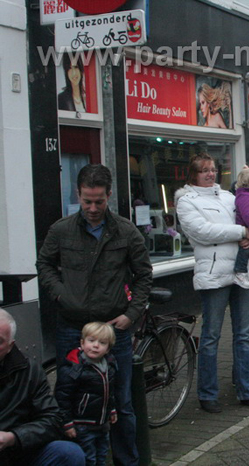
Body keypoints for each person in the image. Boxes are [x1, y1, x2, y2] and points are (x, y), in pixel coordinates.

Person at [37, 164, 152, 466]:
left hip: (114, 329)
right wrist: (62, 294)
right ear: (78, 194)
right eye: (87, 201)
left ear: (109, 196)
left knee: (122, 401)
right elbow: (45, 264)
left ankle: (127, 460)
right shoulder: (61, 230)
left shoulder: (126, 231)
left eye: (98, 201)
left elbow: (144, 275)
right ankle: (77, 459)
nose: (91, 208)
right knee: (69, 398)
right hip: (72, 328)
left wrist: (131, 313)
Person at [175, 153, 249, 412]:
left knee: (244, 336)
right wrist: (242, 233)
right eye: (204, 170)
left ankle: (248, 390)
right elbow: (202, 232)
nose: (210, 174)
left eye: (213, 169)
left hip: (244, 270)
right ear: (194, 174)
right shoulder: (186, 201)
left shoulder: (229, 197)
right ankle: (207, 394)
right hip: (214, 273)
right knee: (211, 336)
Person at [0, 308, 85, 466]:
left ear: (10, 346)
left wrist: (12, 437)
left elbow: (52, 420)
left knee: (68, 453)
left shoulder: (28, 371)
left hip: (15, 452)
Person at [55, 322, 118, 466]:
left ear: (108, 348)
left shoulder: (109, 365)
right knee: (88, 458)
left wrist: (112, 409)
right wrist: (67, 423)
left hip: (102, 424)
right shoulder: (74, 369)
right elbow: (62, 398)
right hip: (82, 425)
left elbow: (109, 391)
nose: (96, 345)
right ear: (82, 343)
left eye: (102, 343)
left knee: (101, 454)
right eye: (91, 341)